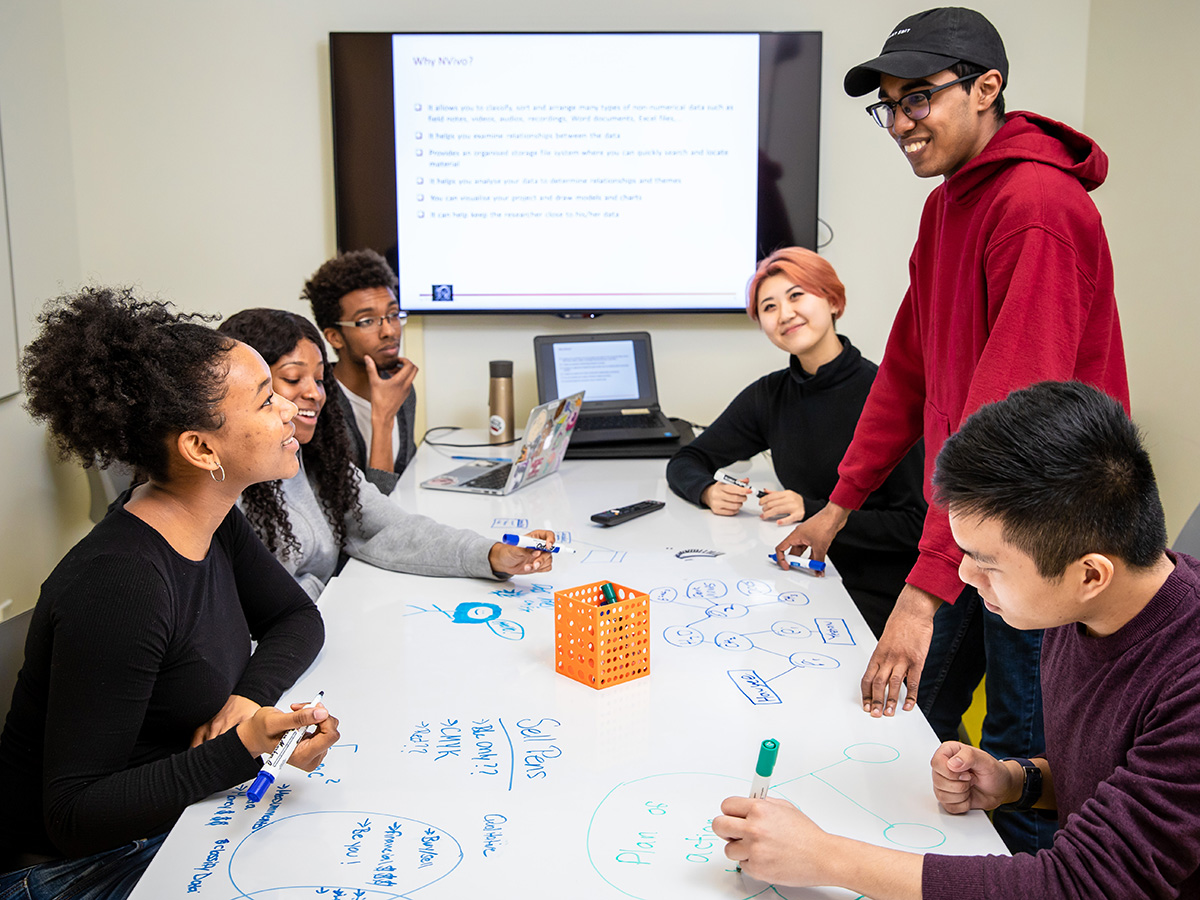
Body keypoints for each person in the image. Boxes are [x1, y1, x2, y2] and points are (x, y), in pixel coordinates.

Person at [771, 7, 1128, 853]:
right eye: (888, 106)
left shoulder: (1035, 205)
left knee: (1021, 753)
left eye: (918, 99)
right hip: (976, 524)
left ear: (986, 88)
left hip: (1043, 532)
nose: (899, 123)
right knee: (918, 727)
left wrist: (925, 588)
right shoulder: (948, 210)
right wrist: (841, 503)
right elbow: (906, 372)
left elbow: (1005, 426)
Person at [716, 380, 1200, 899]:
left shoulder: (1187, 682)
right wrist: (1018, 781)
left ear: (1089, 575)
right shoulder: (1079, 609)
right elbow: (1119, 775)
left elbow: (1079, 886)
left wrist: (825, 857)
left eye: (988, 564)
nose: (966, 576)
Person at [0, 287, 341, 898]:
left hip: (176, 819)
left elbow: (296, 616)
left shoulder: (213, 520)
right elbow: (74, 814)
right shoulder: (120, 584)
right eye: (267, 402)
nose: (290, 411)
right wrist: (246, 748)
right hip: (72, 867)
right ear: (202, 448)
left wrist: (247, 701)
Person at [666, 247, 926, 638]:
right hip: (802, 578)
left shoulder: (884, 395)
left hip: (876, 592)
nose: (785, 313)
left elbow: (914, 526)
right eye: (769, 307)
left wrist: (813, 510)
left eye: (796, 295)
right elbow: (688, 458)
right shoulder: (770, 396)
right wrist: (705, 490)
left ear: (833, 301)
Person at [218, 308, 556, 599]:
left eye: (320, 379)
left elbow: (391, 529)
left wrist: (492, 554)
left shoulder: (318, 458)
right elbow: (256, 608)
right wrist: (336, 592)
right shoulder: (229, 488)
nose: (314, 393)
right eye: (293, 379)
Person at [303, 248, 419, 494]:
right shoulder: (319, 407)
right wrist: (383, 417)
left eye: (393, 314)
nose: (389, 330)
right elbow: (367, 517)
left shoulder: (401, 389)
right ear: (334, 337)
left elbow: (405, 481)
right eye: (367, 321)